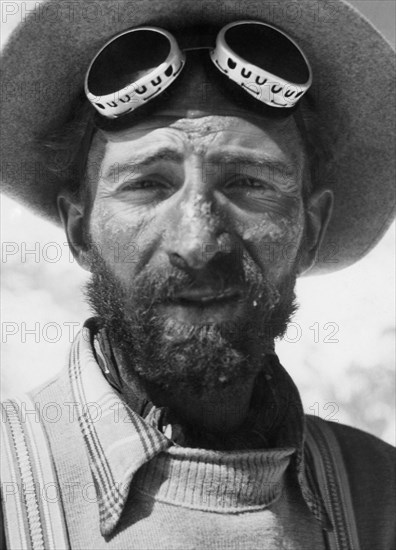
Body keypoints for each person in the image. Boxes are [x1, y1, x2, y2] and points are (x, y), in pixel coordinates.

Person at [0, 0, 395, 549]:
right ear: (79, 231)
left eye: (249, 183)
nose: (198, 241)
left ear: (310, 228)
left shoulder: (382, 499)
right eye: (148, 186)